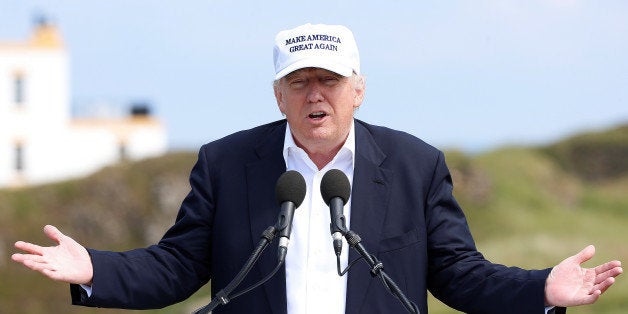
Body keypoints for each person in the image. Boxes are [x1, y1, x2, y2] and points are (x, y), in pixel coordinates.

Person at [12, 23, 622, 314]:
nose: (313, 95)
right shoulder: (227, 164)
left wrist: (541, 288)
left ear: (358, 90)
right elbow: (177, 267)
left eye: (328, 80)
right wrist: (95, 268)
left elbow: (460, 275)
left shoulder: (414, 166)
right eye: (297, 82)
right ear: (277, 95)